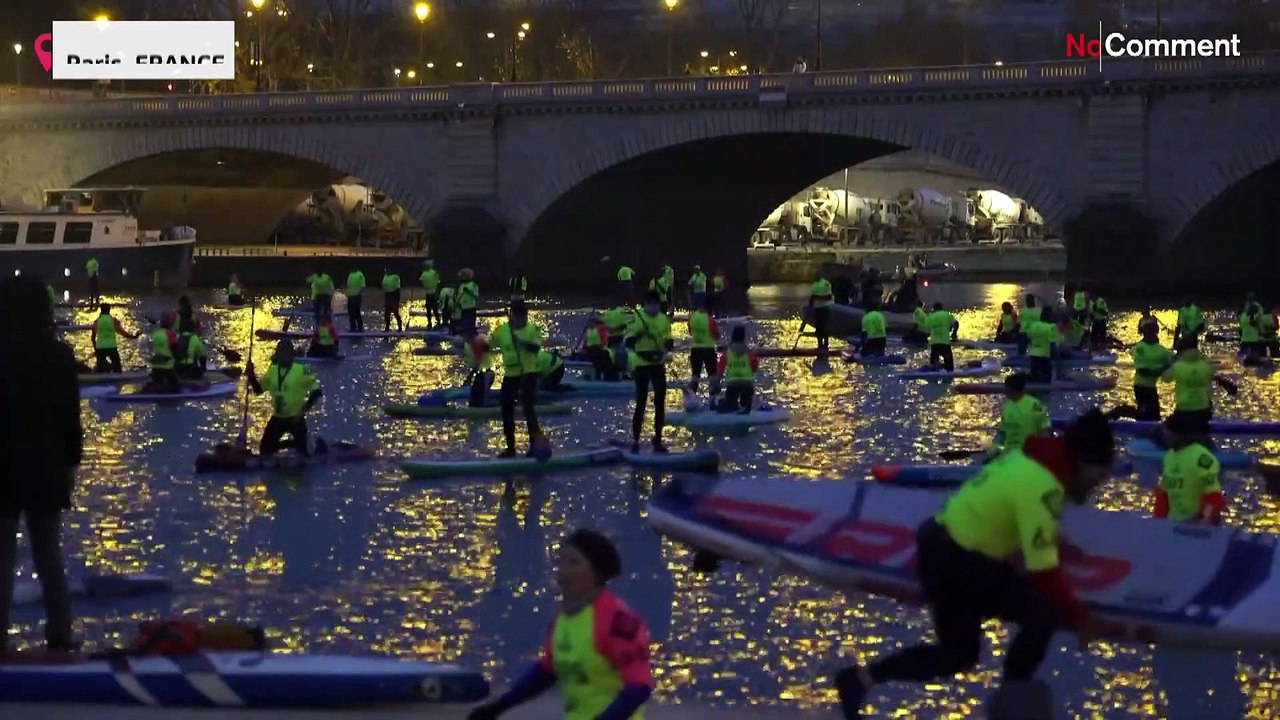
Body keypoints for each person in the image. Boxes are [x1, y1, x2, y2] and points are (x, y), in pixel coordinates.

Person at [835, 409, 1118, 719]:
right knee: (1045, 609)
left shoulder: (1024, 460)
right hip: (956, 561)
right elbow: (1045, 574)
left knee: (959, 654)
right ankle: (1015, 692)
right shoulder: (1043, 484)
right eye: (1100, 475)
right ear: (1083, 462)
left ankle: (859, 680)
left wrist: (1051, 540)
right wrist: (1080, 619)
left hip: (941, 541)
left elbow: (1008, 508)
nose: (1099, 484)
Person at [465, 529, 653, 720]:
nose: (562, 571)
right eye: (560, 561)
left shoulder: (617, 621)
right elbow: (548, 670)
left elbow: (639, 687)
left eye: (573, 562)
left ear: (597, 572)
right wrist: (497, 707)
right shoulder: (561, 620)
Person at [0, 273, 80, 655]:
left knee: (2, 559)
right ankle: (61, 634)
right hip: (47, 466)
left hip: (4, 466)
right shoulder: (61, 356)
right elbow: (71, 421)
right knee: (49, 555)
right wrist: (71, 466)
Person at [245, 341, 322, 456]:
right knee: (264, 451)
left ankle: (307, 446)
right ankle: (290, 444)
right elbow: (258, 390)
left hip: (296, 418)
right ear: (277, 354)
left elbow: (316, 392)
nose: (284, 356)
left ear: (292, 355)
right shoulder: (272, 371)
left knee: (305, 453)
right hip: (278, 418)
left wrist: (303, 411)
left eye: (287, 353)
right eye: (281, 353)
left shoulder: (300, 370)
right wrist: (251, 375)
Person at [491, 301, 543, 458]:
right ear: (513, 315)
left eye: (525, 316)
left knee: (528, 409)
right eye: (519, 316)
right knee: (506, 409)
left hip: (528, 373)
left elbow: (536, 347)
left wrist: (522, 343)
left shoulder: (532, 330)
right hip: (510, 375)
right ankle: (510, 448)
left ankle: (535, 447)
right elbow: (489, 345)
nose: (523, 319)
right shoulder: (502, 331)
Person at [1154, 414, 1224, 524]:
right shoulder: (1169, 457)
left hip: (1197, 527)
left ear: (1177, 434)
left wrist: (1201, 522)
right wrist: (1157, 524)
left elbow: (1213, 498)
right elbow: (1164, 495)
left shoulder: (1202, 458)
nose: (1164, 435)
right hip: (1174, 526)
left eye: (1167, 432)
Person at [627, 291, 674, 454]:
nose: (653, 308)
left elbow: (669, 341)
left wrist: (665, 349)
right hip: (642, 364)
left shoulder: (663, 319)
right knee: (641, 402)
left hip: (658, 363)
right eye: (650, 304)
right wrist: (641, 333)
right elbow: (629, 341)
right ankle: (635, 440)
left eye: (655, 305)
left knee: (660, 402)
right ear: (645, 304)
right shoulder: (637, 317)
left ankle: (658, 439)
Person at [1160, 341, 1219, 437]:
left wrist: (1169, 363)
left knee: (1164, 429)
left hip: (1184, 412)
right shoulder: (1206, 366)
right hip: (1203, 413)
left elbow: (1165, 378)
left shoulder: (1178, 366)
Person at [989, 373, 1048, 458]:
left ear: (1010, 389)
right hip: (1009, 453)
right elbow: (1003, 432)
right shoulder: (1006, 405)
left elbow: (1044, 430)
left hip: (1029, 451)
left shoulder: (1034, 404)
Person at [1129, 322, 1174, 421]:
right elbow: (1142, 370)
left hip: (1150, 387)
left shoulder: (1161, 350)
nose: (1149, 334)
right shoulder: (1140, 348)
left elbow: (1174, 359)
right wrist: (1160, 370)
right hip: (1140, 386)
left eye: (1151, 332)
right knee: (1145, 412)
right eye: (1147, 332)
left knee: (1154, 415)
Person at [711, 326, 758, 413]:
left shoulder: (726, 353)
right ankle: (744, 408)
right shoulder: (750, 352)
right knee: (746, 407)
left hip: (732, 384)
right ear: (743, 337)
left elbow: (719, 372)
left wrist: (715, 385)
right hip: (747, 384)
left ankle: (731, 407)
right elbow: (754, 368)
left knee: (729, 406)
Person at [91, 303, 137, 374]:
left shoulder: (97, 321)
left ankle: (100, 377)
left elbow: (93, 338)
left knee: (100, 368)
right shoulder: (113, 320)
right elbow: (122, 332)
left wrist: (95, 349)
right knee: (117, 369)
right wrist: (132, 336)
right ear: (109, 310)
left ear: (101, 310)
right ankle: (117, 378)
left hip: (100, 347)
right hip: (111, 346)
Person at [687, 297, 720, 393]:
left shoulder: (692, 317)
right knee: (712, 375)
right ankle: (713, 398)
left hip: (695, 349)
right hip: (708, 349)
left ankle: (691, 395)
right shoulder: (709, 319)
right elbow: (715, 334)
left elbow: (690, 331)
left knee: (695, 375)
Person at [147, 312, 181, 394]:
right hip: (167, 366)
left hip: (155, 366)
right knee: (176, 389)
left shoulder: (155, 334)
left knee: (159, 386)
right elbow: (176, 349)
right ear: (169, 323)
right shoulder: (170, 334)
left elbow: (149, 347)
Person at [1024, 307, 1060, 385]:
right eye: (1053, 315)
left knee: (1034, 379)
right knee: (1046, 381)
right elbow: (1053, 345)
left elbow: (1028, 339)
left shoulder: (1033, 325)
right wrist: (1057, 361)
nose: (1054, 317)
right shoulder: (1051, 327)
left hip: (1033, 355)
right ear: (1049, 316)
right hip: (1044, 357)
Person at [582, 314, 617, 382]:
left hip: (599, 349)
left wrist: (601, 346)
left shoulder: (600, 329)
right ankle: (597, 375)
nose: (589, 324)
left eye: (591, 322)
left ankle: (604, 376)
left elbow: (604, 340)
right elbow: (585, 341)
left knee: (601, 358)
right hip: (591, 350)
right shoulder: (589, 330)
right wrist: (584, 348)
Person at [925, 302, 958, 372]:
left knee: (933, 368)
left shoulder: (930, 316)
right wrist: (954, 334)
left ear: (934, 309)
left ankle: (933, 380)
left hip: (934, 345)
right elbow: (956, 323)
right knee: (950, 368)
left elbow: (927, 330)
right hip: (945, 344)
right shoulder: (946, 315)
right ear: (941, 308)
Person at [465, 334, 496, 408]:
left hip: (487, 372)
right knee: (474, 398)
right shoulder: (466, 344)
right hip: (479, 372)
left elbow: (487, 347)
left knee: (482, 397)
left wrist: (470, 376)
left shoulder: (480, 339)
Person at [809, 271, 834, 356]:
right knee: (818, 328)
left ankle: (826, 345)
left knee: (825, 326)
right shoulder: (814, 284)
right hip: (817, 308)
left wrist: (817, 298)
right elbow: (812, 296)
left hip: (825, 307)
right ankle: (820, 345)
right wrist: (811, 304)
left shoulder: (826, 284)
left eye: (817, 274)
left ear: (821, 275)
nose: (815, 276)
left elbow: (829, 296)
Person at [457, 268, 480, 337]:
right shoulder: (461, 286)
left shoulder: (473, 285)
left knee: (470, 325)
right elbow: (459, 297)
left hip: (471, 308)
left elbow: (476, 297)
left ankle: (472, 336)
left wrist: (469, 292)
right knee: (463, 326)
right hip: (462, 309)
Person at [419, 260, 441, 328]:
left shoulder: (430, 273)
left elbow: (422, 282)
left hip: (432, 293)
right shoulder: (428, 273)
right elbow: (437, 282)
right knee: (431, 309)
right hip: (430, 293)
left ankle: (436, 322)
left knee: (433, 309)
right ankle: (432, 322)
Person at [345, 267, 366, 333]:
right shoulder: (350, 275)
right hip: (350, 296)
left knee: (356, 312)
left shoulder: (360, 275)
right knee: (350, 312)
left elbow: (363, 286)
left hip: (357, 296)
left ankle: (360, 328)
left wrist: (359, 293)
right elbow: (348, 285)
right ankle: (352, 327)